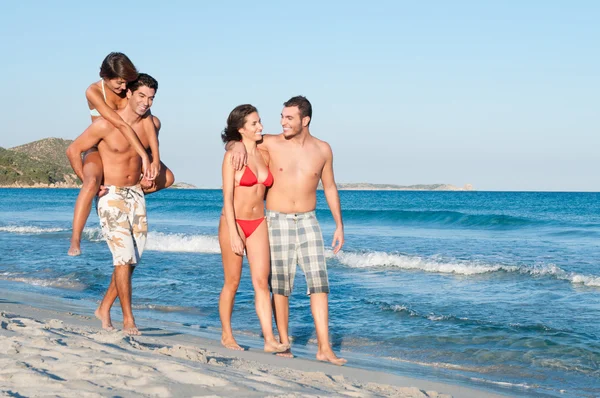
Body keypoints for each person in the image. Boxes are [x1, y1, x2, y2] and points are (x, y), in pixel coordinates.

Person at [228, 96, 346, 365]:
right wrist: (234, 144)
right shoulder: (270, 142)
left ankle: (324, 348)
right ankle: (283, 343)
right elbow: (239, 137)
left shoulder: (323, 150)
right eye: (282, 116)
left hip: (309, 221)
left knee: (319, 284)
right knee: (280, 286)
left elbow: (329, 187)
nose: (282, 122)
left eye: (289, 117)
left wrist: (339, 224)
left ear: (305, 120)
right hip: (277, 219)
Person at [65, 73, 161, 335]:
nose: (146, 102)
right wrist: (89, 181)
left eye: (151, 98)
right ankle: (128, 318)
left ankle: (104, 307)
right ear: (128, 94)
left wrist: (152, 169)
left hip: (135, 195)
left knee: (130, 262)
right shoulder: (105, 125)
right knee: (122, 258)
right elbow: (73, 149)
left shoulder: (152, 123)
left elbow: (153, 153)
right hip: (111, 196)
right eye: (141, 95)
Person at [68, 52, 174, 256]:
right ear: (104, 76)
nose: (124, 87)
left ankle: (124, 191)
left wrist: (155, 159)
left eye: (126, 82)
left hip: (129, 145)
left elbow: (149, 121)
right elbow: (119, 123)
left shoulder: (130, 88)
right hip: (101, 145)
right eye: (118, 83)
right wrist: (144, 156)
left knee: (168, 178)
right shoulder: (94, 91)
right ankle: (75, 240)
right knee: (90, 183)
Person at [219, 104, 289, 354]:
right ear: (241, 129)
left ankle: (269, 340)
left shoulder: (264, 154)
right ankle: (227, 334)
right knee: (233, 282)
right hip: (233, 222)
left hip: (259, 222)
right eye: (254, 123)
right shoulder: (232, 156)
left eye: (259, 122)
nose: (261, 127)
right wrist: (234, 232)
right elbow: (227, 197)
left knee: (261, 283)